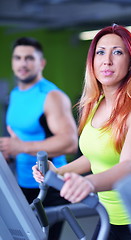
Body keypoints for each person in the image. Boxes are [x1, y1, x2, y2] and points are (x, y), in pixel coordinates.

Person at [32, 24, 131, 240]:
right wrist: (58, 172)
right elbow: (94, 157)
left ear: (130, 62)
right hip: (107, 215)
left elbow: (129, 166)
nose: (107, 60)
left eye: (117, 52)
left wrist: (88, 183)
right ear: (92, 62)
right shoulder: (95, 103)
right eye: (100, 52)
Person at [0, 37, 78, 240]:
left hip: (49, 186)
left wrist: (21, 147)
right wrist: (10, 151)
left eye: (29, 58)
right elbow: (21, 138)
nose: (22, 63)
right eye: (17, 58)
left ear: (41, 63)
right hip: (22, 183)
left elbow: (70, 143)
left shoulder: (52, 96)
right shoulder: (16, 94)